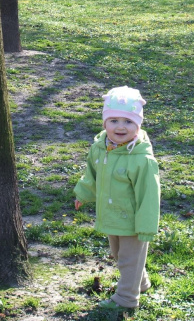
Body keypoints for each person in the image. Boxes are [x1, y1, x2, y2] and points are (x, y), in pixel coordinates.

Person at [74, 85, 161, 309]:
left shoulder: (142, 159)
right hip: (112, 215)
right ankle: (140, 282)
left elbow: (149, 195)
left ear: (138, 125)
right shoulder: (100, 148)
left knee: (129, 259)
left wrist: (147, 226)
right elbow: (91, 174)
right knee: (119, 254)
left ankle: (126, 300)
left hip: (134, 221)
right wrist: (83, 193)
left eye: (128, 121)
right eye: (114, 121)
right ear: (105, 123)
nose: (120, 127)